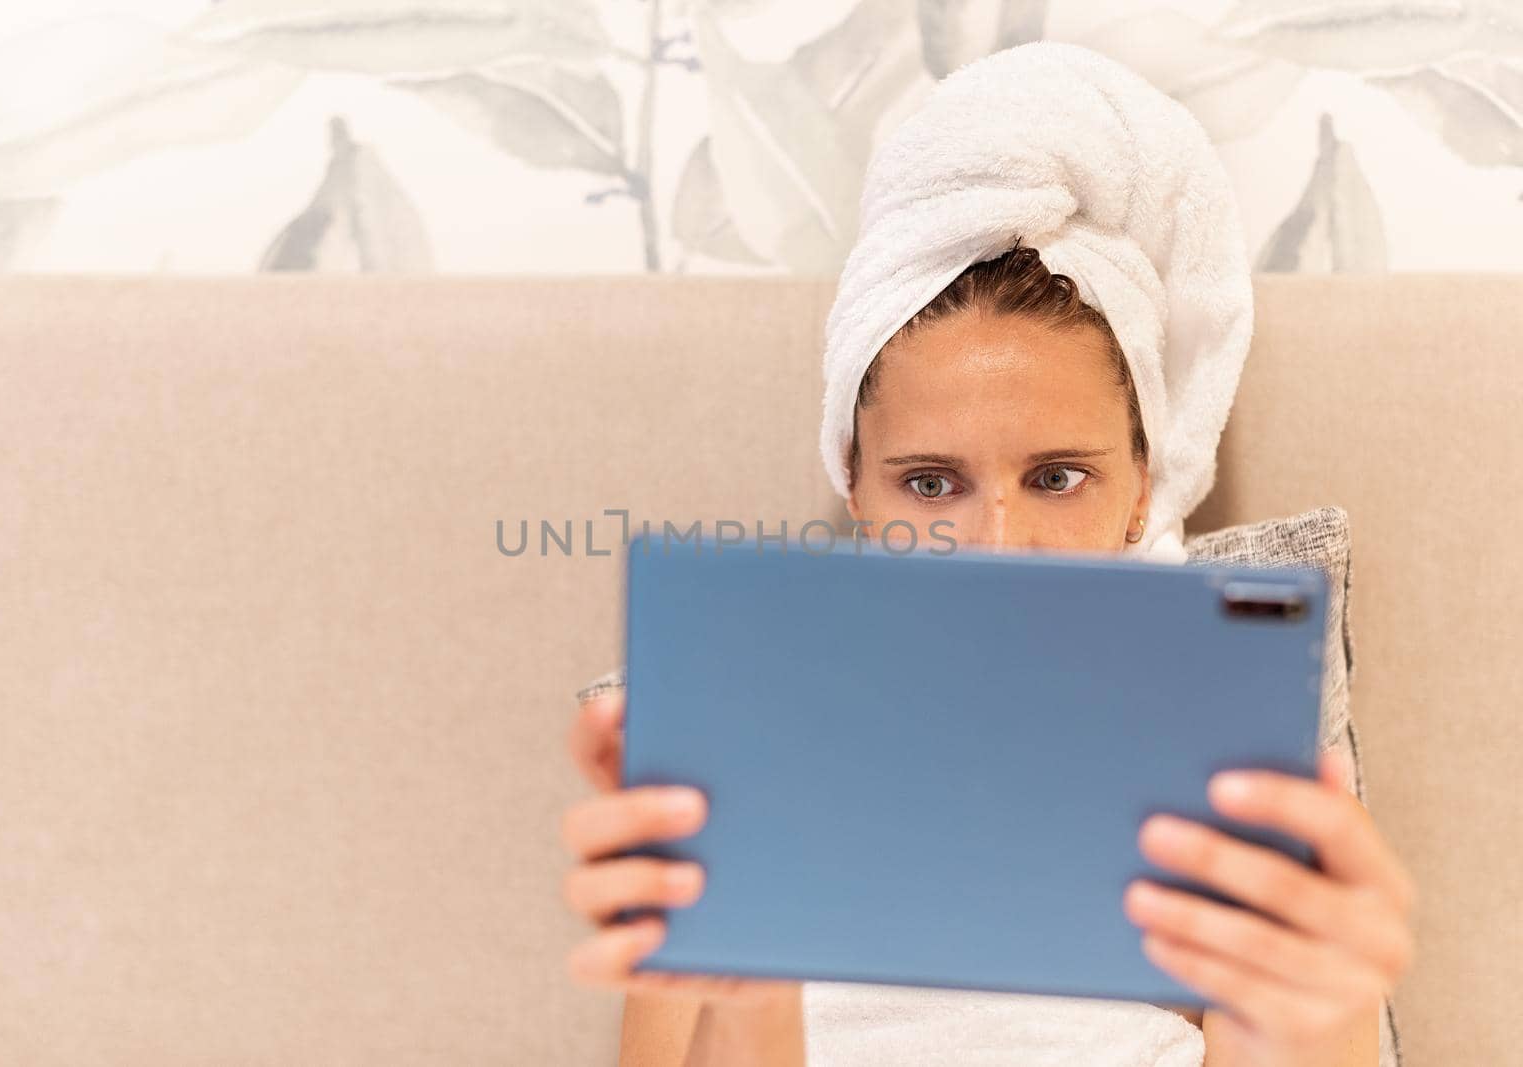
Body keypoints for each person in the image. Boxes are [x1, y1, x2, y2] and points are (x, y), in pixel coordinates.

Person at [561, 43, 1415, 1067]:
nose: (997, 544)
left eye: (1057, 477)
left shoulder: (1218, 751)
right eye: (929, 483)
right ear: (855, 486)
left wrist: (1322, 1002)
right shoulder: (742, 746)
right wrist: (747, 988)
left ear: (1142, 486)